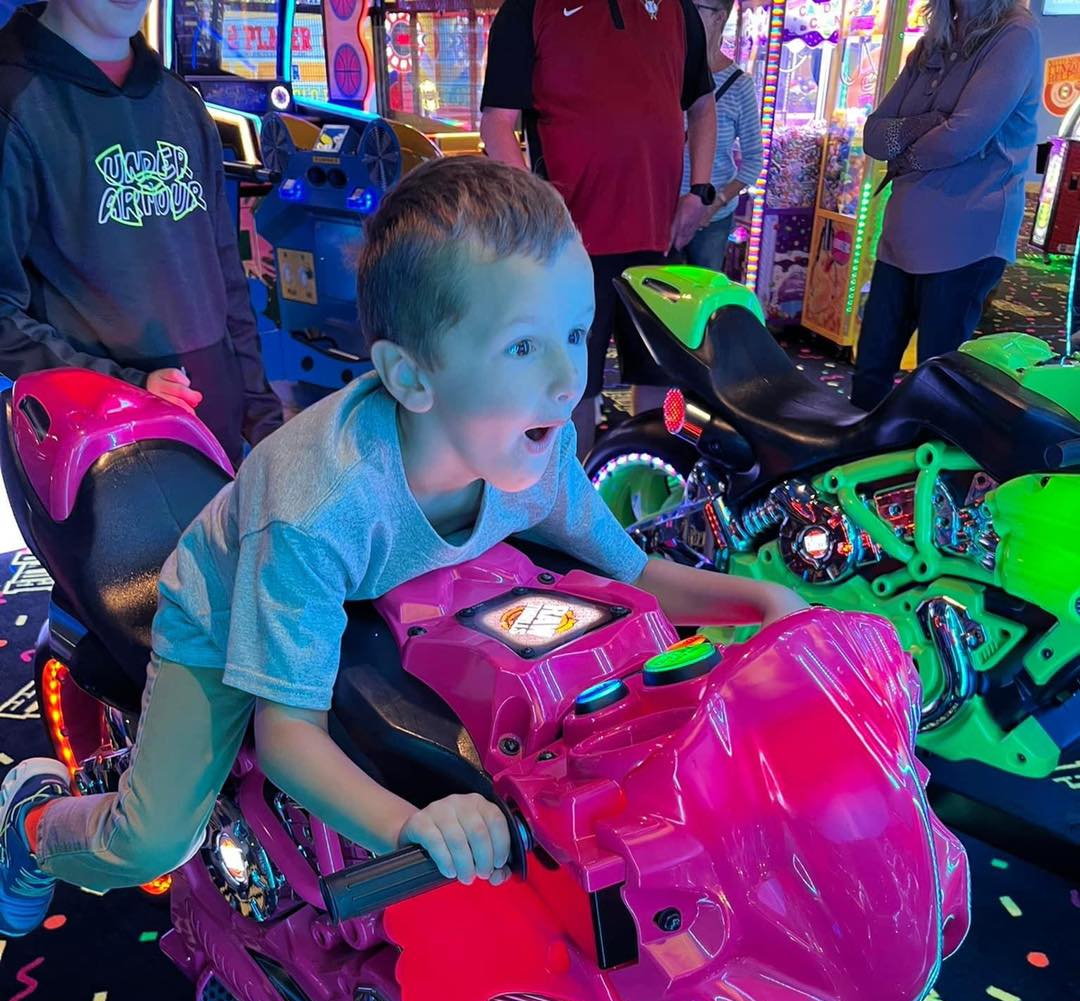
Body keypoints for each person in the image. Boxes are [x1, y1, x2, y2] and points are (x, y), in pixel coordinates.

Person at [0, 158, 807, 939]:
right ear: (412, 378)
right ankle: (33, 825)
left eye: (575, 331)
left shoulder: (536, 444)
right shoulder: (318, 508)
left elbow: (634, 573)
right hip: (229, 598)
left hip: (386, 582)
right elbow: (288, 739)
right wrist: (413, 826)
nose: (570, 377)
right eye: (522, 347)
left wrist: (764, 602)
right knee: (152, 839)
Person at [0, 0, 282, 466]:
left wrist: (262, 415)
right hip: (101, 454)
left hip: (219, 440)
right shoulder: (14, 103)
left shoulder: (181, 103)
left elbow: (226, 279)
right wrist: (122, 387)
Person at [478, 0, 718, 458]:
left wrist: (699, 192)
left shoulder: (676, 9)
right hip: (569, 247)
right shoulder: (529, 9)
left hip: (657, 237)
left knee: (661, 379)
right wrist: (539, 209)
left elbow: (702, 106)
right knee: (569, 387)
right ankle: (569, 493)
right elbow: (496, 123)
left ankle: (650, 486)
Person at [850, 0, 1040, 412]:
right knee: (869, 376)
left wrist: (906, 152)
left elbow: (961, 138)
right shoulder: (935, 40)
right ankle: (861, 452)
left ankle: (921, 457)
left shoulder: (1015, 33)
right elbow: (874, 136)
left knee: (937, 386)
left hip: (966, 238)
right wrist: (928, 123)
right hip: (902, 236)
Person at [680, 0, 763, 272]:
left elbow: (754, 160)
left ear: (719, 17)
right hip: (663, 209)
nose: (685, 14)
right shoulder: (669, 71)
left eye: (696, 8)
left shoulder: (739, 85)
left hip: (710, 218)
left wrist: (716, 202)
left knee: (702, 289)